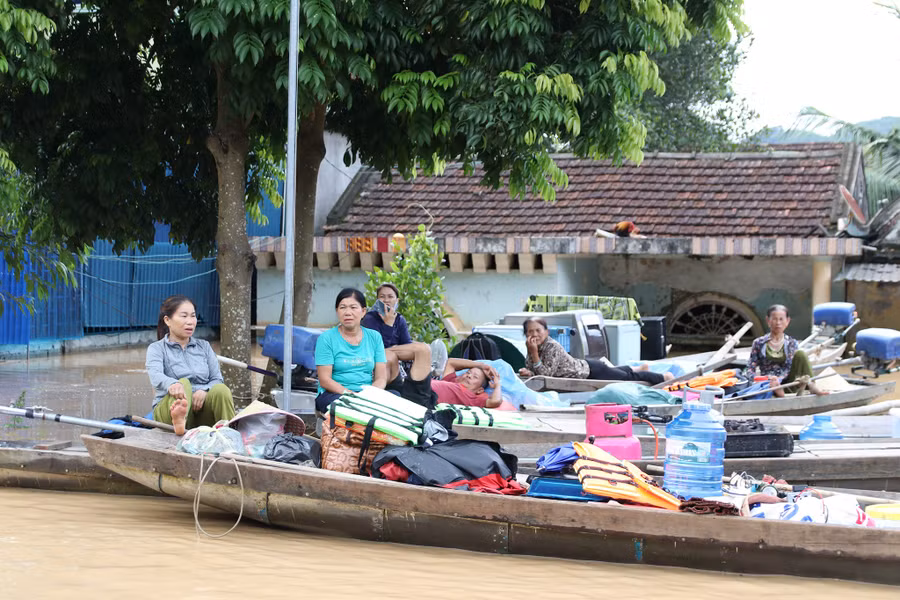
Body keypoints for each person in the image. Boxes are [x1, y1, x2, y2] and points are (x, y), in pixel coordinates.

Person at [146, 295, 236, 436]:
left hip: (199, 411)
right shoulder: (156, 348)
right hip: (168, 412)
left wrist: (205, 390)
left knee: (221, 390)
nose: (190, 322)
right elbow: (156, 376)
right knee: (184, 383)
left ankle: (229, 436)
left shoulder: (204, 346)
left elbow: (217, 378)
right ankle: (179, 421)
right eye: (184, 316)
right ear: (167, 320)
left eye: (193, 316)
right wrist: (172, 384)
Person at [517, 317, 672, 384]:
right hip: (586, 366)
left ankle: (663, 376)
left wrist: (534, 354)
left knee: (627, 378)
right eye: (530, 332)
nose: (535, 334)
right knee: (619, 372)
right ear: (526, 334)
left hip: (590, 371)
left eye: (538, 330)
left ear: (547, 332)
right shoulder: (533, 347)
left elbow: (546, 375)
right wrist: (528, 371)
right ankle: (639, 367)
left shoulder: (552, 347)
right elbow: (535, 369)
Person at [314, 288, 387, 412]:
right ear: (337, 311)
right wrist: (351, 396)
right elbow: (325, 380)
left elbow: (381, 378)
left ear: (363, 311)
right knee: (346, 408)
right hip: (335, 395)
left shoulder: (374, 337)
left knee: (396, 396)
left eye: (353, 307)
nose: (348, 312)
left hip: (367, 395)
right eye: (343, 307)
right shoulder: (326, 338)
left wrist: (369, 395)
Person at [385, 341, 507, 409]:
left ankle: (376, 349)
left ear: (480, 390)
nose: (469, 376)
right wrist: (480, 365)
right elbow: (451, 362)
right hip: (407, 387)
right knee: (390, 357)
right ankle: (379, 352)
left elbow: (495, 401)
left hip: (423, 399)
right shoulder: (451, 381)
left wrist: (497, 384)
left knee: (423, 350)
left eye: (475, 377)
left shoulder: (474, 398)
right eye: (468, 372)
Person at [744, 304, 828, 397]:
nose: (778, 323)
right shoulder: (759, 343)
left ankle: (811, 385)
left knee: (800, 354)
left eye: (781, 319)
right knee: (771, 383)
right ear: (768, 321)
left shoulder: (791, 343)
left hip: (788, 383)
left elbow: (788, 369)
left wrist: (779, 379)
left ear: (787, 321)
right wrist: (761, 379)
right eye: (774, 319)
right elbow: (750, 368)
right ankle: (776, 389)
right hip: (768, 383)